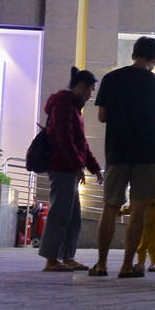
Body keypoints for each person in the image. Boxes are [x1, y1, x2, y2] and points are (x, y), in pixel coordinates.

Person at [92, 35, 155, 278]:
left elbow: (102, 116)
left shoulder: (112, 79)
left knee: (110, 207)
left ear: (134, 54)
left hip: (117, 151)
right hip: (146, 154)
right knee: (139, 210)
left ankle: (102, 264)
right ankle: (127, 265)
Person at [38, 67, 102, 273]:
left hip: (69, 167)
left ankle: (67, 256)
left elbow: (81, 143)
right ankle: (51, 259)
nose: (90, 95)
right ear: (80, 87)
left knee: (74, 217)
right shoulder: (64, 104)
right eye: (90, 90)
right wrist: (77, 166)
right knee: (60, 214)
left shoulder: (73, 107)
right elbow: (63, 137)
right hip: (61, 166)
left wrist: (94, 168)